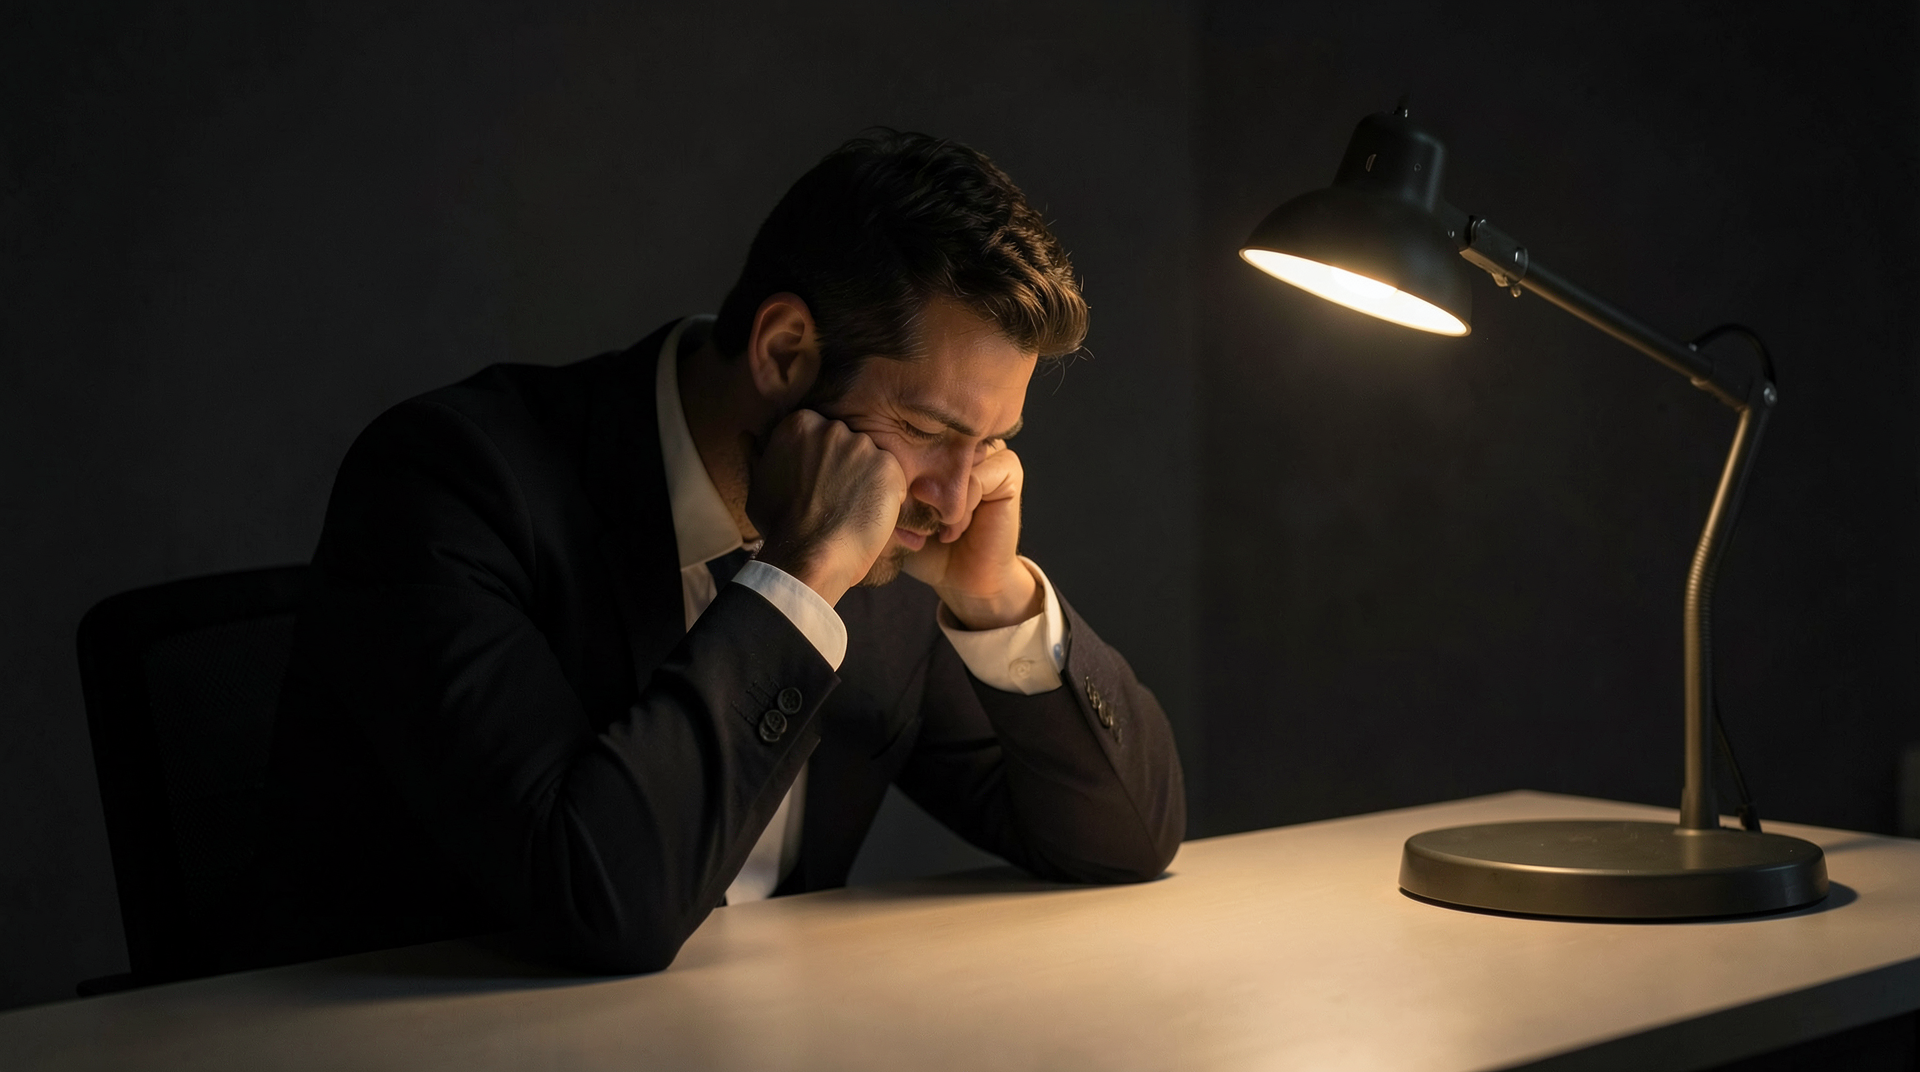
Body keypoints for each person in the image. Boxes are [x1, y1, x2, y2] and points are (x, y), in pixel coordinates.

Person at [248, 131, 1185, 975]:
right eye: (925, 428)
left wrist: (999, 601)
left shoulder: (912, 539)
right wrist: (801, 576)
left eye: (989, 443)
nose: (952, 499)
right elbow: (600, 904)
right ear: (783, 351)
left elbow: (1125, 842)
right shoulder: (453, 482)